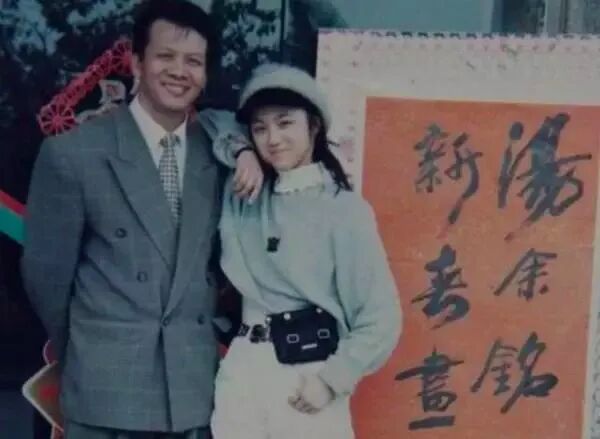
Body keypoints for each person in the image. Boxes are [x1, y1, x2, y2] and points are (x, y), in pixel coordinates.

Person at [20, 1, 263, 438]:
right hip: (106, 395)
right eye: (165, 56)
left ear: (206, 74)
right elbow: (46, 278)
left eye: (193, 61)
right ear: (136, 62)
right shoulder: (74, 154)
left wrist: (243, 149)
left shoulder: (219, 155)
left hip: (192, 394)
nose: (179, 71)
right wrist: (97, 346)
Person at [210, 63, 402, 438]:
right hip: (242, 372)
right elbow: (207, 120)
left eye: (285, 123)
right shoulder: (246, 192)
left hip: (306, 376)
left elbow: (381, 317)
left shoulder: (343, 210)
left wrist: (332, 380)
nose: (273, 138)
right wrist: (243, 152)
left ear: (313, 126)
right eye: (260, 128)